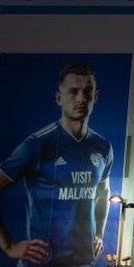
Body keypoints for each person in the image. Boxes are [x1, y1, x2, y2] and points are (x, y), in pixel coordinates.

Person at [0, 64, 112, 266]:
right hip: (42, 262)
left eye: (87, 92)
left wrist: (100, 234)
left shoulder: (103, 147)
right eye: (73, 91)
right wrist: (9, 246)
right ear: (59, 98)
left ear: (95, 96)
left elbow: (103, 191)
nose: (81, 98)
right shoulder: (37, 144)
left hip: (84, 261)